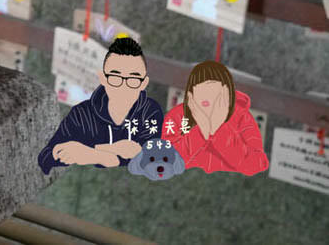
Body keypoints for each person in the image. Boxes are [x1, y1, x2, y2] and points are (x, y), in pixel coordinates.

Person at [38, 36, 164, 173]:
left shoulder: (150, 112)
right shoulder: (82, 114)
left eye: (133, 79)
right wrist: (109, 152)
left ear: (144, 83)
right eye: (115, 78)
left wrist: (94, 154)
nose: (123, 87)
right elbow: (46, 158)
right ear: (103, 78)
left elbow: (152, 160)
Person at [161, 60, 268, 175]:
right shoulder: (178, 116)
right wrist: (200, 132)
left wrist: (219, 130)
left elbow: (255, 165)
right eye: (199, 89)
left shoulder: (243, 118)